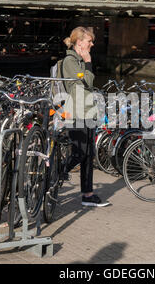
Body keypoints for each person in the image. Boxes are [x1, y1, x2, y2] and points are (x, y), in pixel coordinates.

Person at [60, 26, 110, 207]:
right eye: (89, 41)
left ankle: (88, 194)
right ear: (79, 42)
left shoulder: (80, 60)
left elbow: (87, 85)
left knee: (89, 154)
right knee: (78, 153)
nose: (92, 44)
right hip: (75, 112)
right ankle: (55, 175)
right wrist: (88, 62)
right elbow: (88, 81)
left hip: (87, 111)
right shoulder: (70, 61)